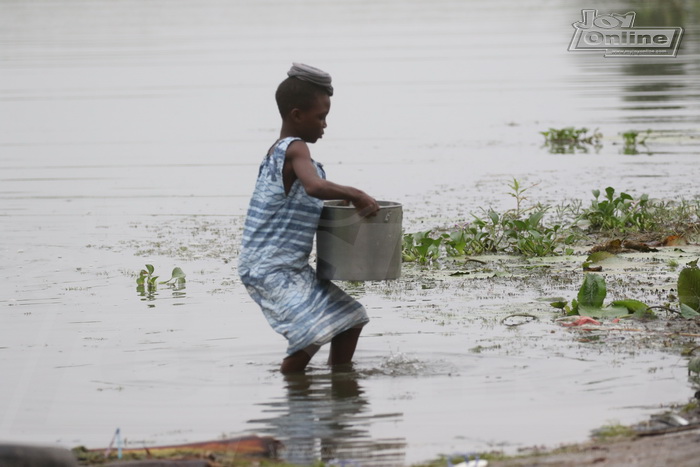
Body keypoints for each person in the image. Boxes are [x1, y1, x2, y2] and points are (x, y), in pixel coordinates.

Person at [238, 63, 379, 374]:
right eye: (320, 117)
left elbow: (305, 199)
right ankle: (291, 384)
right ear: (296, 115)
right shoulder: (294, 149)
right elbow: (314, 187)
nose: (325, 125)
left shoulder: (287, 154)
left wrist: (341, 203)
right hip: (269, 267)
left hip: (290, 267)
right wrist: (354, 193)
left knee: (351, 319)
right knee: (311, 335)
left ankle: (340, 382)